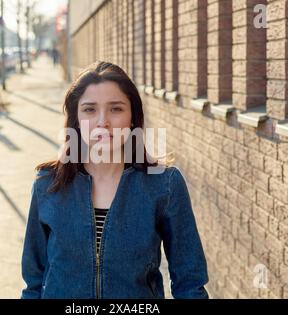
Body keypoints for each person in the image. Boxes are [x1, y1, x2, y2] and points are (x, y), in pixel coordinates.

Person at [21, 61, 209, 299]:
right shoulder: (47, 185)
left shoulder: (164, 185)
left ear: (132, 118)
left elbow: (190, 283)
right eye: (90, 109)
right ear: (76, 120)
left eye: (116, 109)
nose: (103, 122)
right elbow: (33, 283)